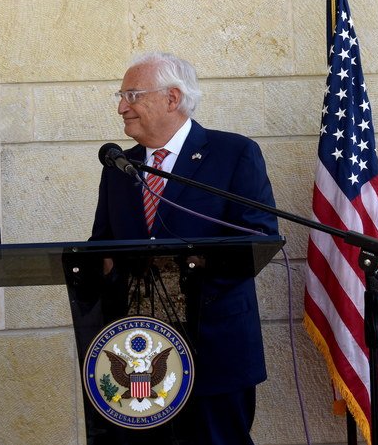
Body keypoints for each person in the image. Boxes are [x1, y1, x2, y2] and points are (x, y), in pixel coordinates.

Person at [87, 51, 278, 444]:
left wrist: (192, 267)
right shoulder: (120, 168)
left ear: (172, 99)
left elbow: (257, 237)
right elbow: (100, 245)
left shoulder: (233, 154)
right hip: (138, 354)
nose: (122, 107)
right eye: (121, 97)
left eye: (133, 95)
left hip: (214, 347)